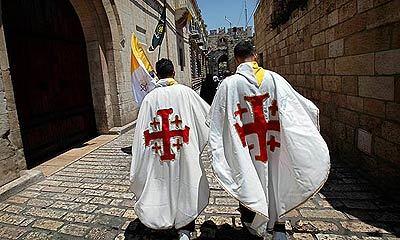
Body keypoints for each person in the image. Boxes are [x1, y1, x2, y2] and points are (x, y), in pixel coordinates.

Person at [208, 40, 330, 239]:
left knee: (249, 179)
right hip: (274, 144)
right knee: (276, 179)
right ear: (254, 56)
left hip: (246, 146)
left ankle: (253, 223)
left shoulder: (228, 84)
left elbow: (215, 119)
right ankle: (278, 229)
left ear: (236, 59)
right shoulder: (275, 79)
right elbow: (301, 108)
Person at [130, 58, 211, 240]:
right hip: (183, 148)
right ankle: (185, 228)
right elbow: (207, 117)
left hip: (157, 152)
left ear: (157, 75)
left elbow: (141, 132)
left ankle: (162, 218)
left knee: (162, 184)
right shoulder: (186, 92)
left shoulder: (149, 99)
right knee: (185, 183)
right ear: (174, 72)